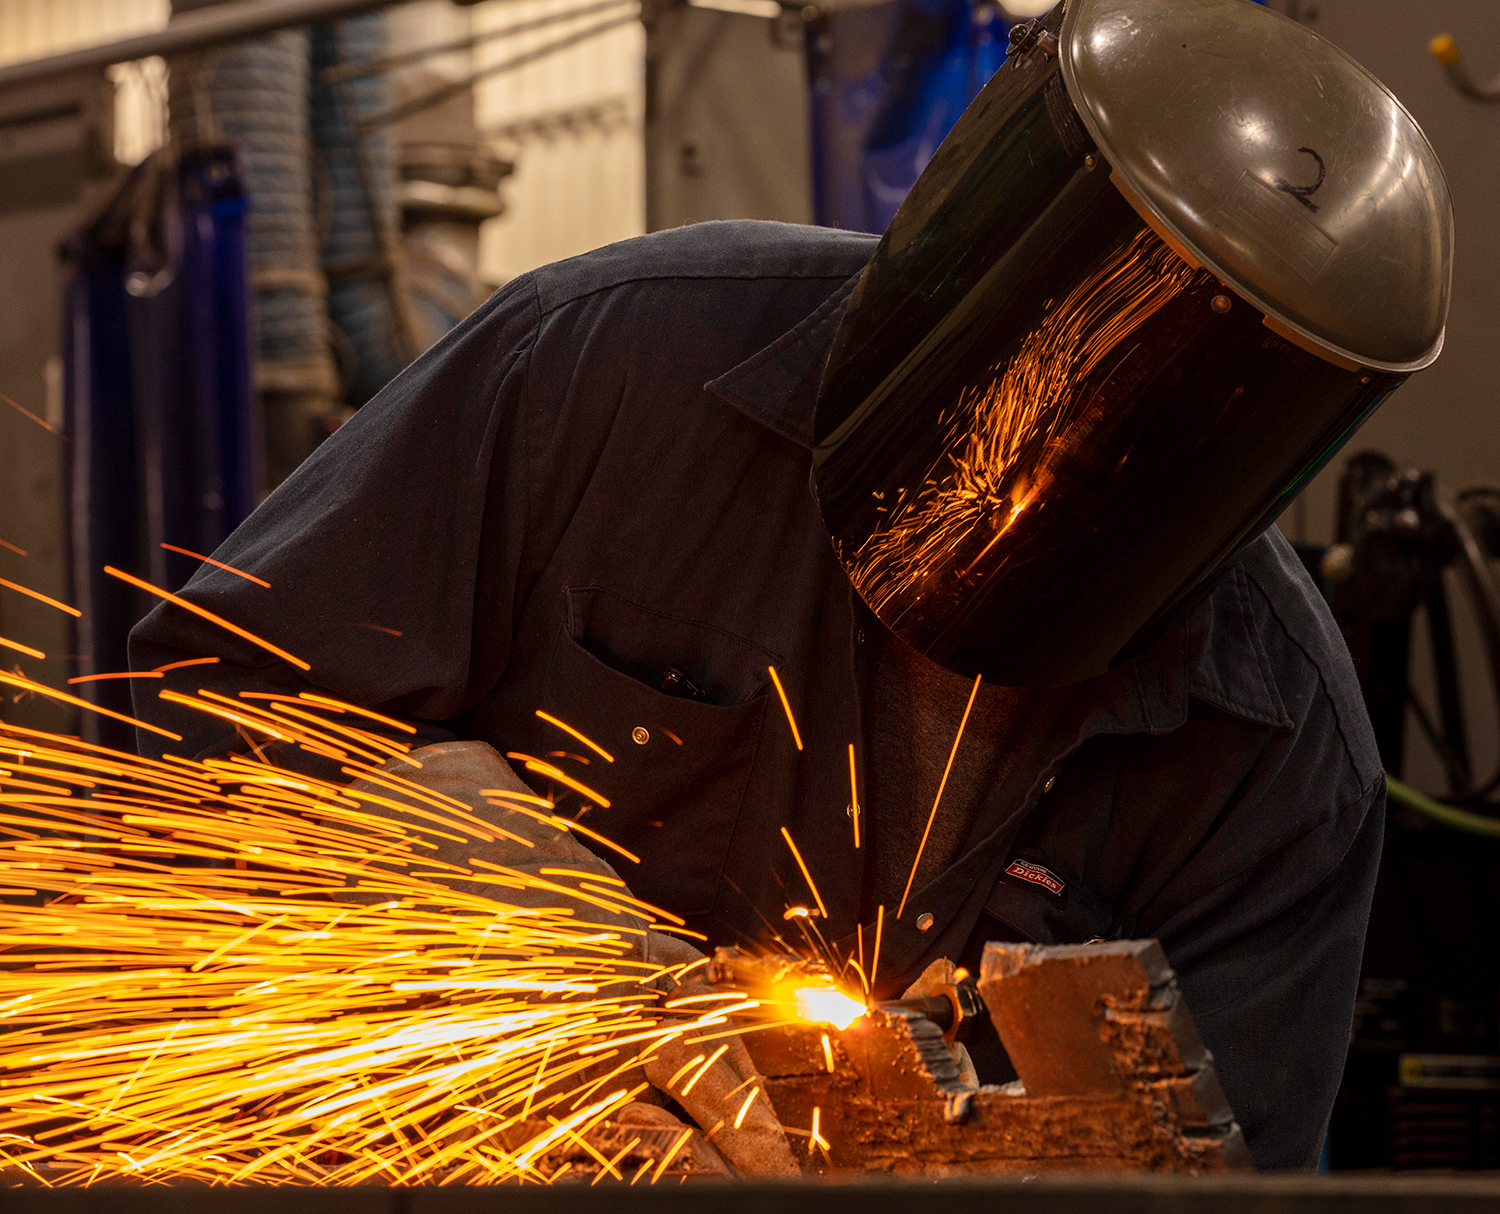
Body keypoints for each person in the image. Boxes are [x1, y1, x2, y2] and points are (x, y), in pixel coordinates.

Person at [129, 216, 1384, 1172]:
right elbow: (207, 696)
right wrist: (483, 886)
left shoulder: (1275, 741)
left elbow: (1228, 1180)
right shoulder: (612, 371)